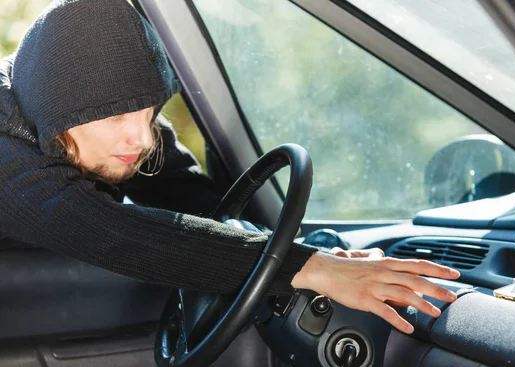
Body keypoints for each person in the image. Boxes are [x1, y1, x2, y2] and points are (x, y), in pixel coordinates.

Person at [0, 0, 460, 335]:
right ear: (58, 109)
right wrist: (307, 268)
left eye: (150, 112)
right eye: (119, 116)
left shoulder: (87, 122)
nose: (142, 139)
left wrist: (312, 250)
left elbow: (199, 205)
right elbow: (104, 229)